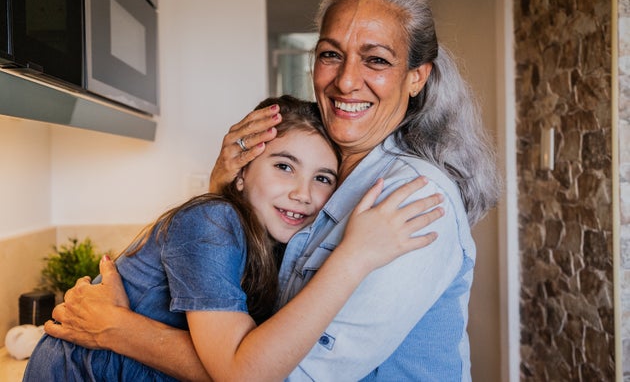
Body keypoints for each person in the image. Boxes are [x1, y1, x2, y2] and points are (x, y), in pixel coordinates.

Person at [46, 0, 501, 381]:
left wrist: (120, 330)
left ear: (416, 77)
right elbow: (261, 324)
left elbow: (286, 375)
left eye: (377, 60)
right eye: (330, 54)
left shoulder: (410, 199)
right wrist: (228, 196)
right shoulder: (334, 176)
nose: (345, 81)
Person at [25, 95, 441, 381]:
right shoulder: (213, 220)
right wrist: (355, 256)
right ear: (241, 171)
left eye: (323, 178)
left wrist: (118, 326)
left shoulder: (277, 243)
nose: (303, 192)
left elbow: (248, 357)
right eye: (283, 166)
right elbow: (244, 372)